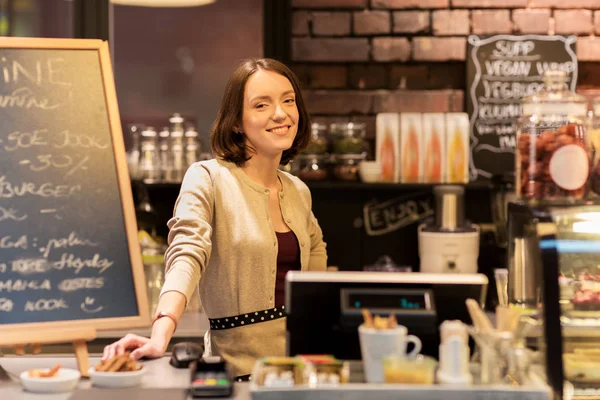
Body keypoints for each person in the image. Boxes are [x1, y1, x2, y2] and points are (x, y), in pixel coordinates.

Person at [102, 58, 328, 378]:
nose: (281, 113)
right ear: (236, 121)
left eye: (288, 100)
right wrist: (160, 333)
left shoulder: (298, 191)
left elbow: (317, 267)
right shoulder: (207, 177)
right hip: (237, 374)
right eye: (261, 104)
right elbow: (186, 253)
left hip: (301, 373)